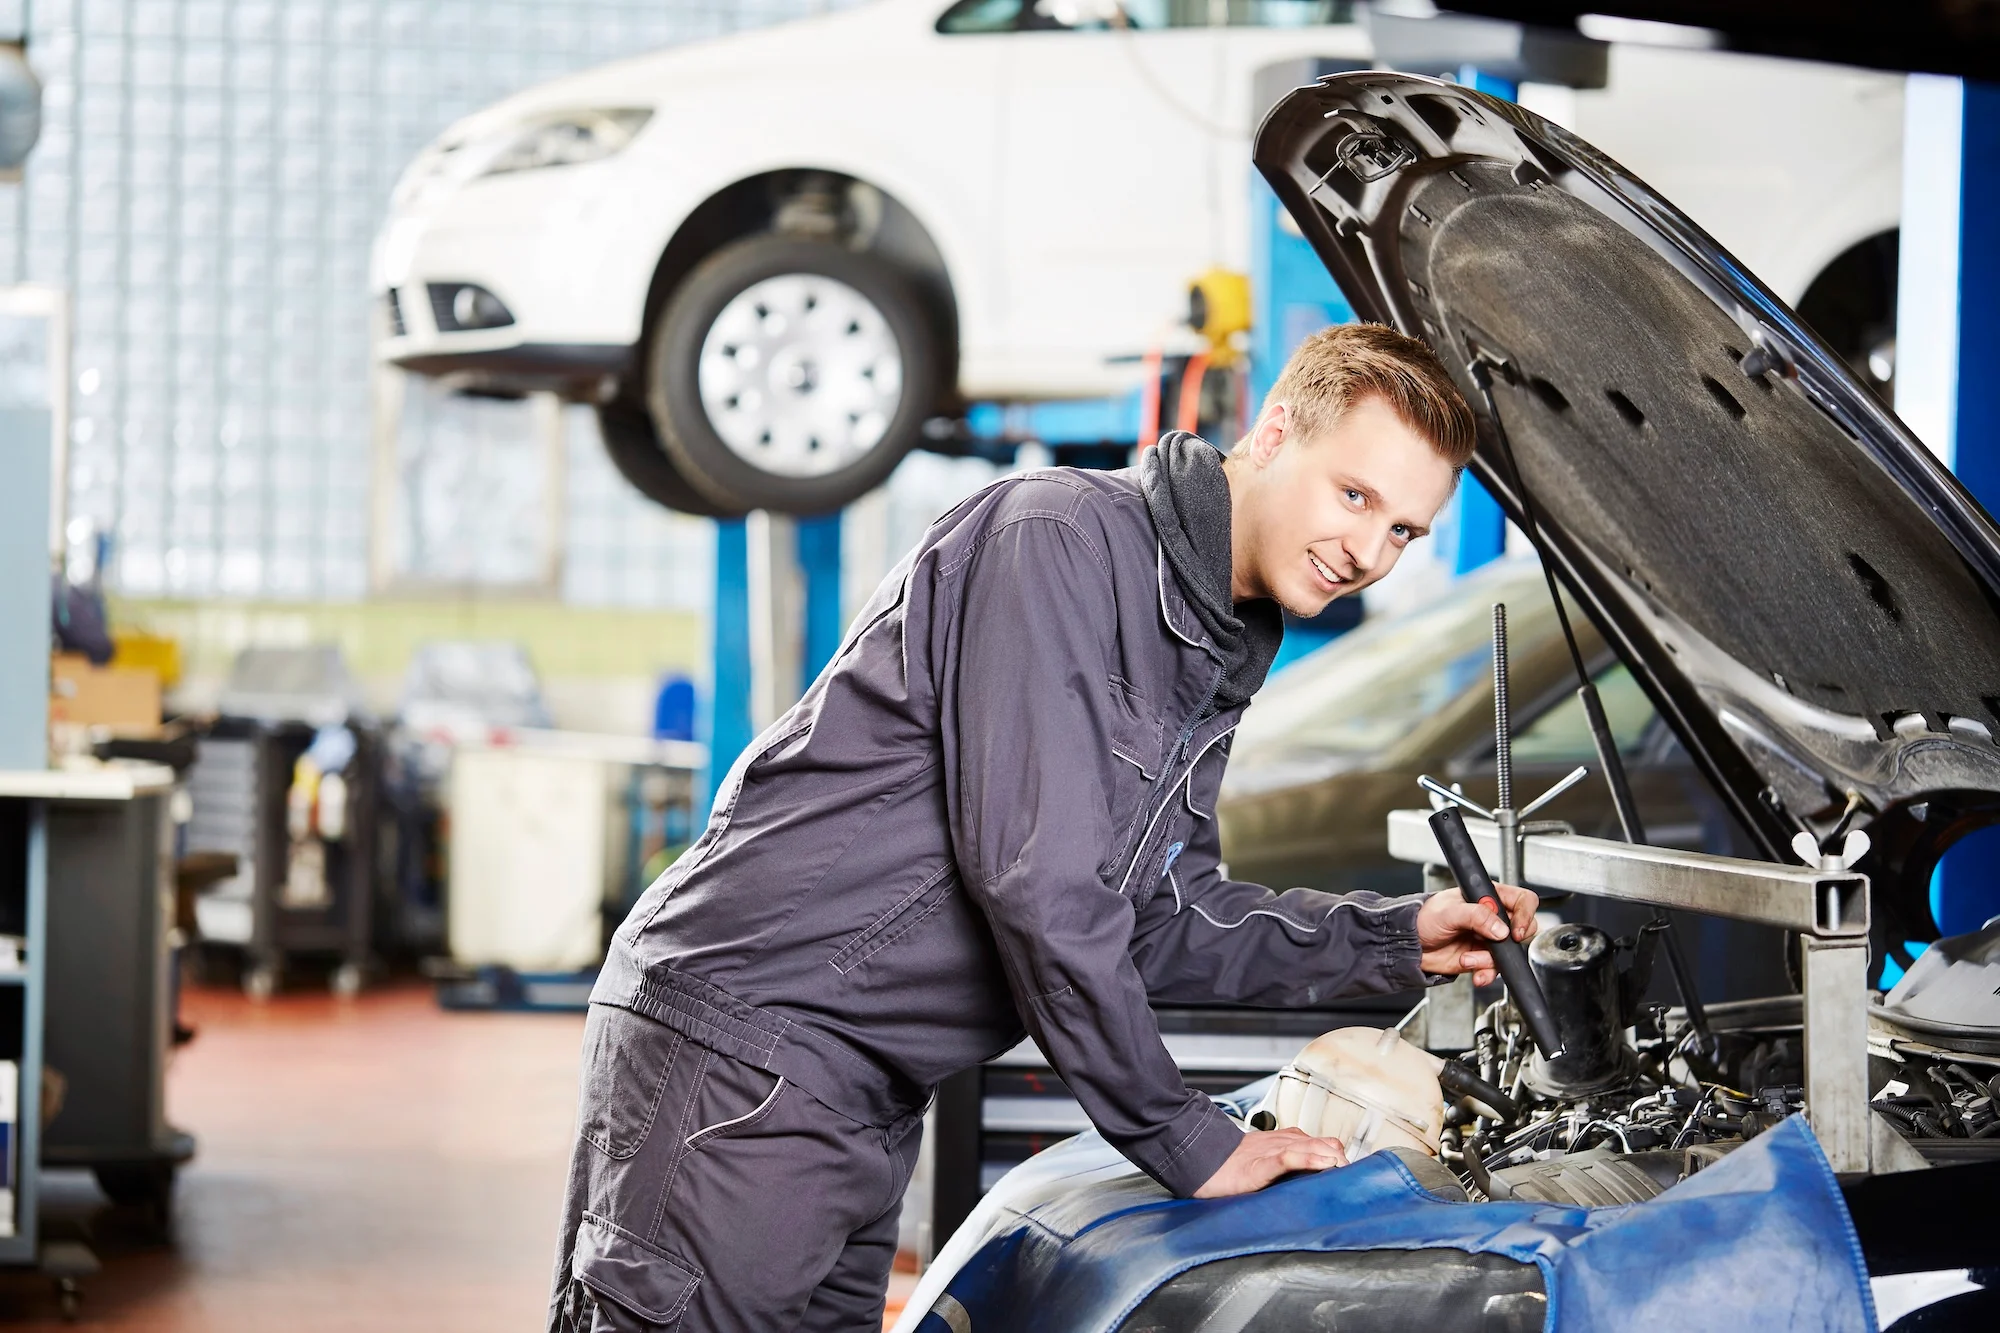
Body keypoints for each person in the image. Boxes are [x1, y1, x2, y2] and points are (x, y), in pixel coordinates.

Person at [550, 323, 1541, 1332]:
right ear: (1274, 431)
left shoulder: (1213, 640)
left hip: (862, 1088)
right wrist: (1186, 1137)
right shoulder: (1058, 540)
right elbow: (1041, 886)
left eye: (1404, 532)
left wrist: (1388, 937)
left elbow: (1159, 919)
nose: (1368, 551)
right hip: (745, 1053)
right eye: (1355, 495)